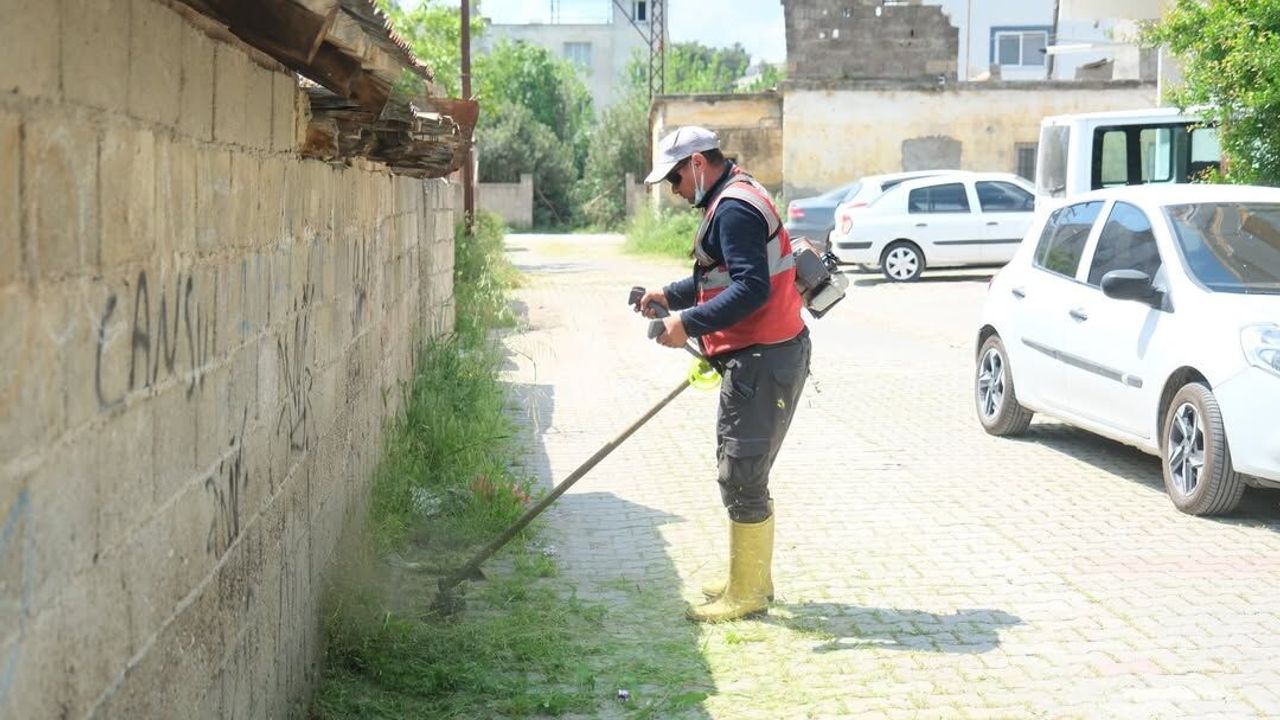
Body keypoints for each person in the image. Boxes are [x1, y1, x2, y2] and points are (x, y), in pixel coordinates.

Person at [635, 126, 811, 622]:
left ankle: (748, 593)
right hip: (761, 357)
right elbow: (717, 276)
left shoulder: (732, 207)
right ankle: (749, 576)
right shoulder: (733, 196)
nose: (673, 191)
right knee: (743, 468)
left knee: (742, 471)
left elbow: (752, 289)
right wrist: (669, 297)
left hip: (764, 358)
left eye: (674, 179)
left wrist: (685, 324)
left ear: (696, 164)